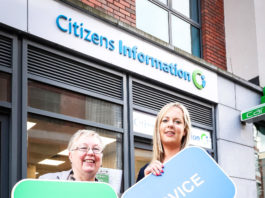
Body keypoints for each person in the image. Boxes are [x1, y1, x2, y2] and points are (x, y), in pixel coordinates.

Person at [136, 102, 191, 182]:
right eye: (165, 120)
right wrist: (147, 182)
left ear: (185, 131)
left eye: (177, 122)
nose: (170, 125)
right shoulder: (145, 172)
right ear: (158, 128)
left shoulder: (196, 163)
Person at [39, 129, 104, 181]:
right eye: (83, 148)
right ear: (71, 156)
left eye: (96, 149)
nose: (90, 153)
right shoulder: (47, 183)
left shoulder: (107, 193)